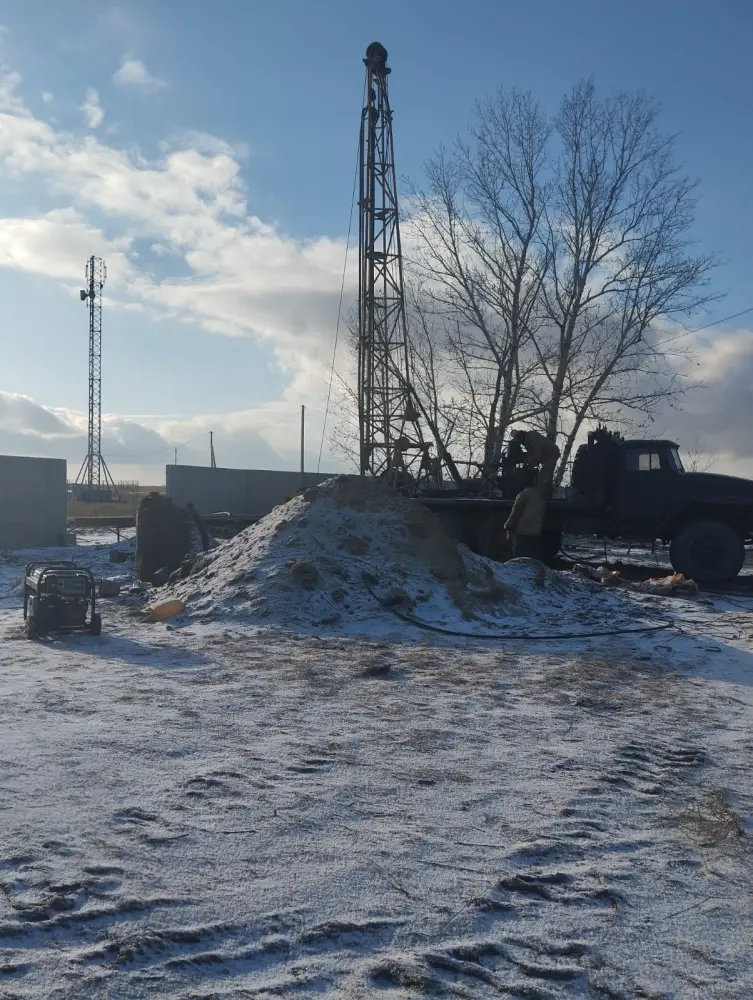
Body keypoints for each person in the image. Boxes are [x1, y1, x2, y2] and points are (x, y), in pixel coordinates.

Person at [504, 469, 545, 560]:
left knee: (519, 558)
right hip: (535, 533)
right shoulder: (539, 495)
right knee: (530, 558)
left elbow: (515, 513)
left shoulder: (523, 495)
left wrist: (507, 525)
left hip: (522, 532)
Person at [510, 429, 560, 494]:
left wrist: (529, 465)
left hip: (551, 454)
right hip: (548, 454)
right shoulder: (527, 439)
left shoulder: (532, 438)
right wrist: (527, 462)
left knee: (542, 477)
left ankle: (540, 496)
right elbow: (532, 454)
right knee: (547, 477)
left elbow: (536, 455)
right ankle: (547, 494)